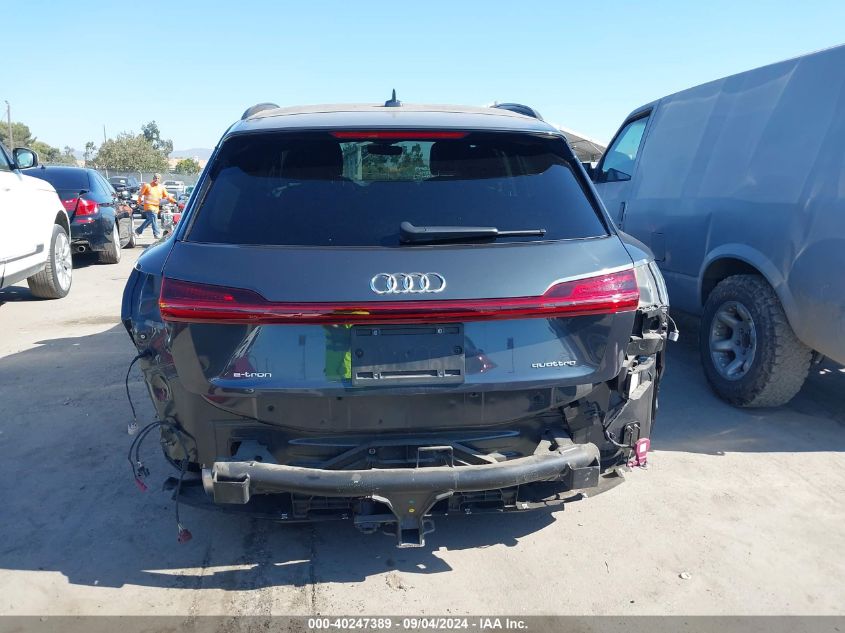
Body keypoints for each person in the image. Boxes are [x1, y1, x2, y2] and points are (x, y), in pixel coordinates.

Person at [135, 173, 176, 239]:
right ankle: (156, 233)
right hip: (148, 206)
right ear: (153, 178)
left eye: (158, 178)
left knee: (150, 220)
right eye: (155, 178)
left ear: (160, 180)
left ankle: (138, 231)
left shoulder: (161, 188)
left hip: (156, 207)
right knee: (154, 217)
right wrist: (138, 202)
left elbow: (167, 197)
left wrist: (174, 201)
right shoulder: (147, 186)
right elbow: (140, 195)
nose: (156, 179)